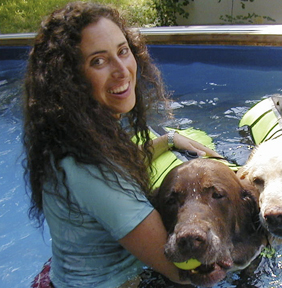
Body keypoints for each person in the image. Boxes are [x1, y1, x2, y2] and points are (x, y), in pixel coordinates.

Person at [23, 2, 220, 287]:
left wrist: (168, 140)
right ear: (70, 80)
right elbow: (183, 270)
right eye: (98, 61)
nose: (122, 70)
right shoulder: (93, 170)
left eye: (122, 51)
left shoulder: (74, 138)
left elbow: (121, 169)